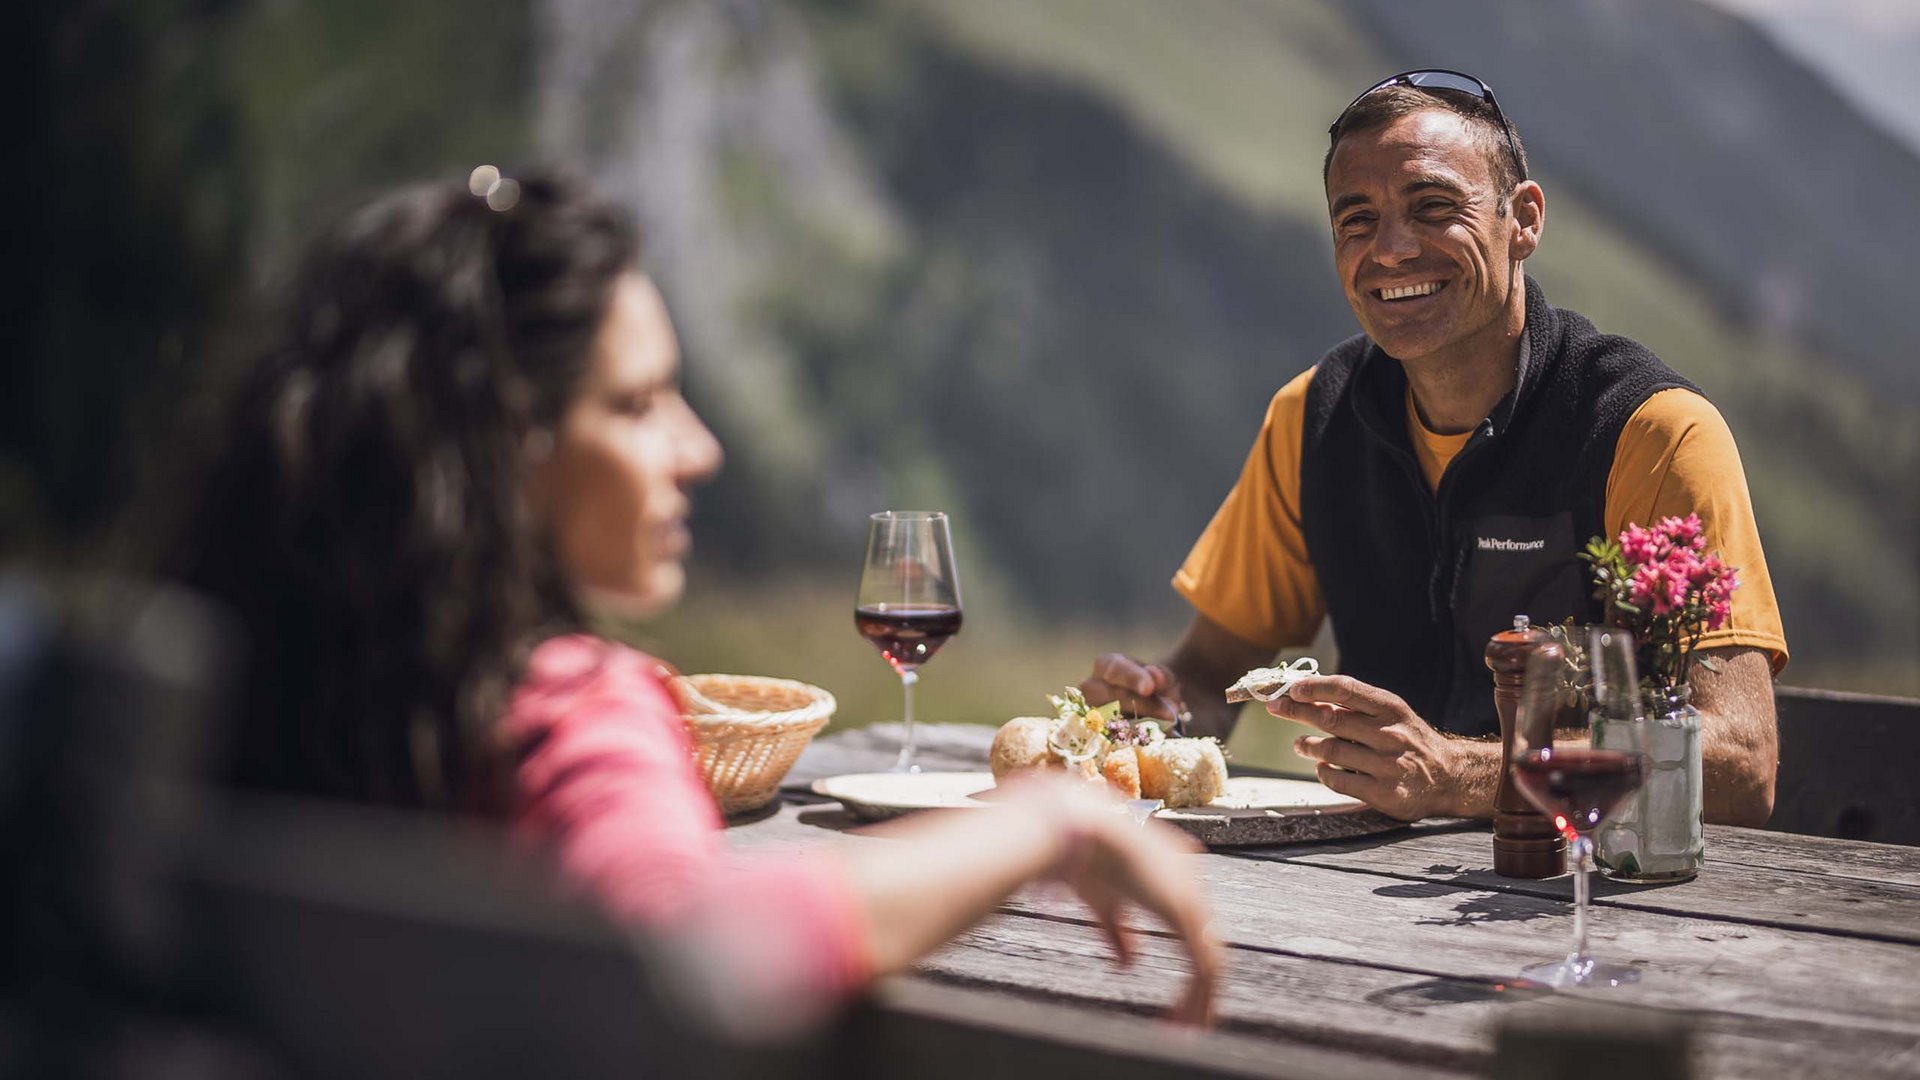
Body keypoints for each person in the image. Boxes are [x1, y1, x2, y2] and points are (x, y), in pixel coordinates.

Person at [172, 173, 1219, 1026]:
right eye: (636, 404)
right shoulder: (563, 711)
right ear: (506, 444)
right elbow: (684, 954)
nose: (699, 449)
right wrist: (1045, 827)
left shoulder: (217, 676)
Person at [1083, 70, 1785, 827]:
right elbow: (1210, 671)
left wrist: (1466, 776)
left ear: (1524, 219)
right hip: (1359, 913)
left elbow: (1742, 761)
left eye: (1434, 207)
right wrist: (1152, 718)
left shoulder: (1651, 431)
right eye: (1356, 220)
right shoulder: (1311, 417)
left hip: (1595, 904)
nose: (1390, 250)